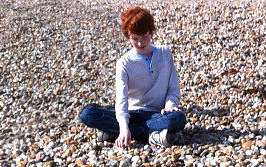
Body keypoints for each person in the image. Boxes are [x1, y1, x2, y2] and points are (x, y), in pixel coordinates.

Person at [79, 6, 186, 148]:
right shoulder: (124, 63)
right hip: (131, 113)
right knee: (87, 114)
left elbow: (173, 89)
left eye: (144, 36)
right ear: (128, 36)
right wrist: (124, 127)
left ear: (151, 32)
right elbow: (121, 99)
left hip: (156, 114)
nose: (141, 43)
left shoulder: (165, 53)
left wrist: (170, 105)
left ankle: (113, 132)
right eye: (135, 39)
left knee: (177, 118)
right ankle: (151, 136)